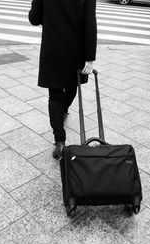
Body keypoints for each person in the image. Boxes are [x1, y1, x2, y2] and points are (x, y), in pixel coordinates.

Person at [29, 0, 97, 158]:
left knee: (55, 95)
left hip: (52, 47)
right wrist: (90, 58)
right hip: (76, 49)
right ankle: (64, 110)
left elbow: (34, 18)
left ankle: (60, 141)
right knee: (73, 86)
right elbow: (90, 23)